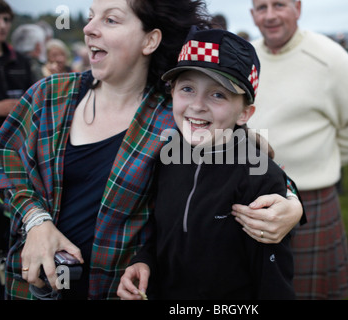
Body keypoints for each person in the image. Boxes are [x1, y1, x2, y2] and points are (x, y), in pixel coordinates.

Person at [0, 0, 303, 300]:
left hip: (116, 287)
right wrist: (35, 220)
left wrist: (291, 203)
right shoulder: (49, 95)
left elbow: (241, 154)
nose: (88, 28)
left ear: (150, 39)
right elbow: (7, 160)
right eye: (91, 16)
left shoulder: (175, 116)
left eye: (110, 19)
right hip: (33, 287)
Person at [117, 27, 301, 300]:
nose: (198, 105)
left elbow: (273, 281)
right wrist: (143, 261)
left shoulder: (260, 177)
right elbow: (162, 234)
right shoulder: (165, 157)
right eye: (187, 88)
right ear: (173, 93)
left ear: (244, 113)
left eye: (218, 95)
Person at [249, 0, 348, 299]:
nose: (269, 15)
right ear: (252, 14)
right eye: (261, 7)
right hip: (251, 195)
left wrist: (327, 161)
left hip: (311, 200)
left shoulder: (332, 58)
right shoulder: (247, 55)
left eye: (279, 5)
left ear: (297, 7)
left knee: (310, 293)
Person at [0, 0, 33, 181]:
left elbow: (34, 99)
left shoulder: (22, 61)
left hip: (20, 151)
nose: (2, 25)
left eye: (6, 20)